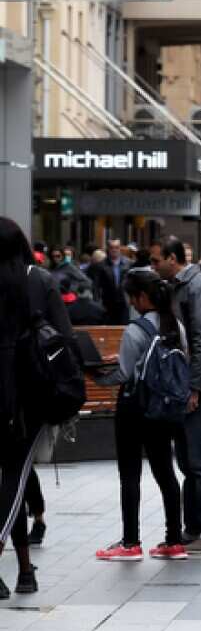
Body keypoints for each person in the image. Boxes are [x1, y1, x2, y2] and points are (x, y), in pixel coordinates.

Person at [0, 217, 75, 598]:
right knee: (16, 475)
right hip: (28, 394)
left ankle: (25, 569)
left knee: (9, 479)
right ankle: (14, 561)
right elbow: (62, 337)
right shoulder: (39, 281)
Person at [91, 268, 187, 561]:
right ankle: (174, 540)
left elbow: (123, 374)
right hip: (165, 408)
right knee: (166, 472)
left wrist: (94, 375)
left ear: (141, 297)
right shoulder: (175, 326)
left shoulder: (135, 329)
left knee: (130, 474)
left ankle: (131, 542)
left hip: (134, 408)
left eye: (132, 297)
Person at [151, 237, 201, 555]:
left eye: (157, 260)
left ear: (172, 258)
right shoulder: (182, 286)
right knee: (188, 459)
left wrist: (195, 387)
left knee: (200, 459)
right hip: (188, 386)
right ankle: (195, 527)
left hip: (197, 387)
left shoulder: (200, 287)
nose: (153, 266)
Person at [91, 238, 134, 324]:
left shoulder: (128, 263)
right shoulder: (101, 265)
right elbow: (96, 286)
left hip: (124, 303)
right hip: (107, 304)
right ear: (108, 249)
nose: (114, 250)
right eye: (111, 247)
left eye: (116, 247)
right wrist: (97, 303)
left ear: (120, 248)